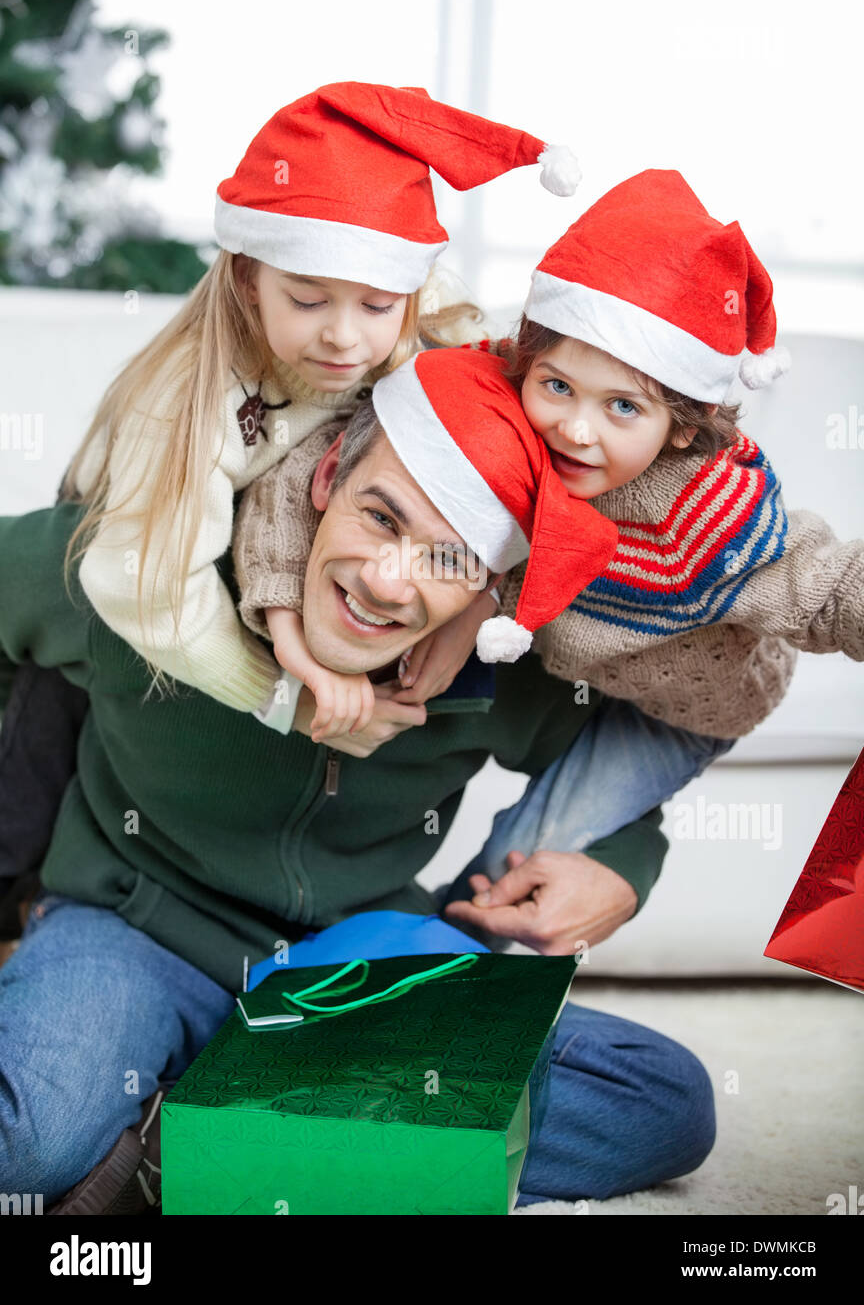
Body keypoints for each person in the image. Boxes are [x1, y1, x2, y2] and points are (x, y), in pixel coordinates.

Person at [0, 348, 713, 1212]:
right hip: (134, 933)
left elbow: (615, 777)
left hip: (352, 978)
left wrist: (620, 869)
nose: (386, 584)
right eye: (380, 518)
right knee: (28, 1139)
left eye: (449, 562)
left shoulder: (492, 668)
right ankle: (280, 1127)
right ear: (328, 472)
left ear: (489, 589)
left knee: (663, 1101)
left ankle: (170, 1137)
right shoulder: (157, 577)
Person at [0, 79, 581, 926]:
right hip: (109, 594)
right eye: (307, 300)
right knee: (34, 762)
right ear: (246, 280)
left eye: (377, 305)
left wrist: (475, 605)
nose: (344, 337)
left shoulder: (435, 351)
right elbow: (144, 584)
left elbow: (508, 491)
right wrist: (284, 693)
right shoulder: (187, 404)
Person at [238, 170, 864, 901]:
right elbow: (312, 469)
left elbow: (830, 588)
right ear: (526, 363)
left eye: (622, 408)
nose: (574, 428)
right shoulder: (503, 405)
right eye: (558, 386)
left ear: (683, 427)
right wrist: (290, 611)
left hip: (687, 705)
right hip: (573, 663)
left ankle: (454, 984)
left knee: (513, 869)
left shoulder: (706, 515)